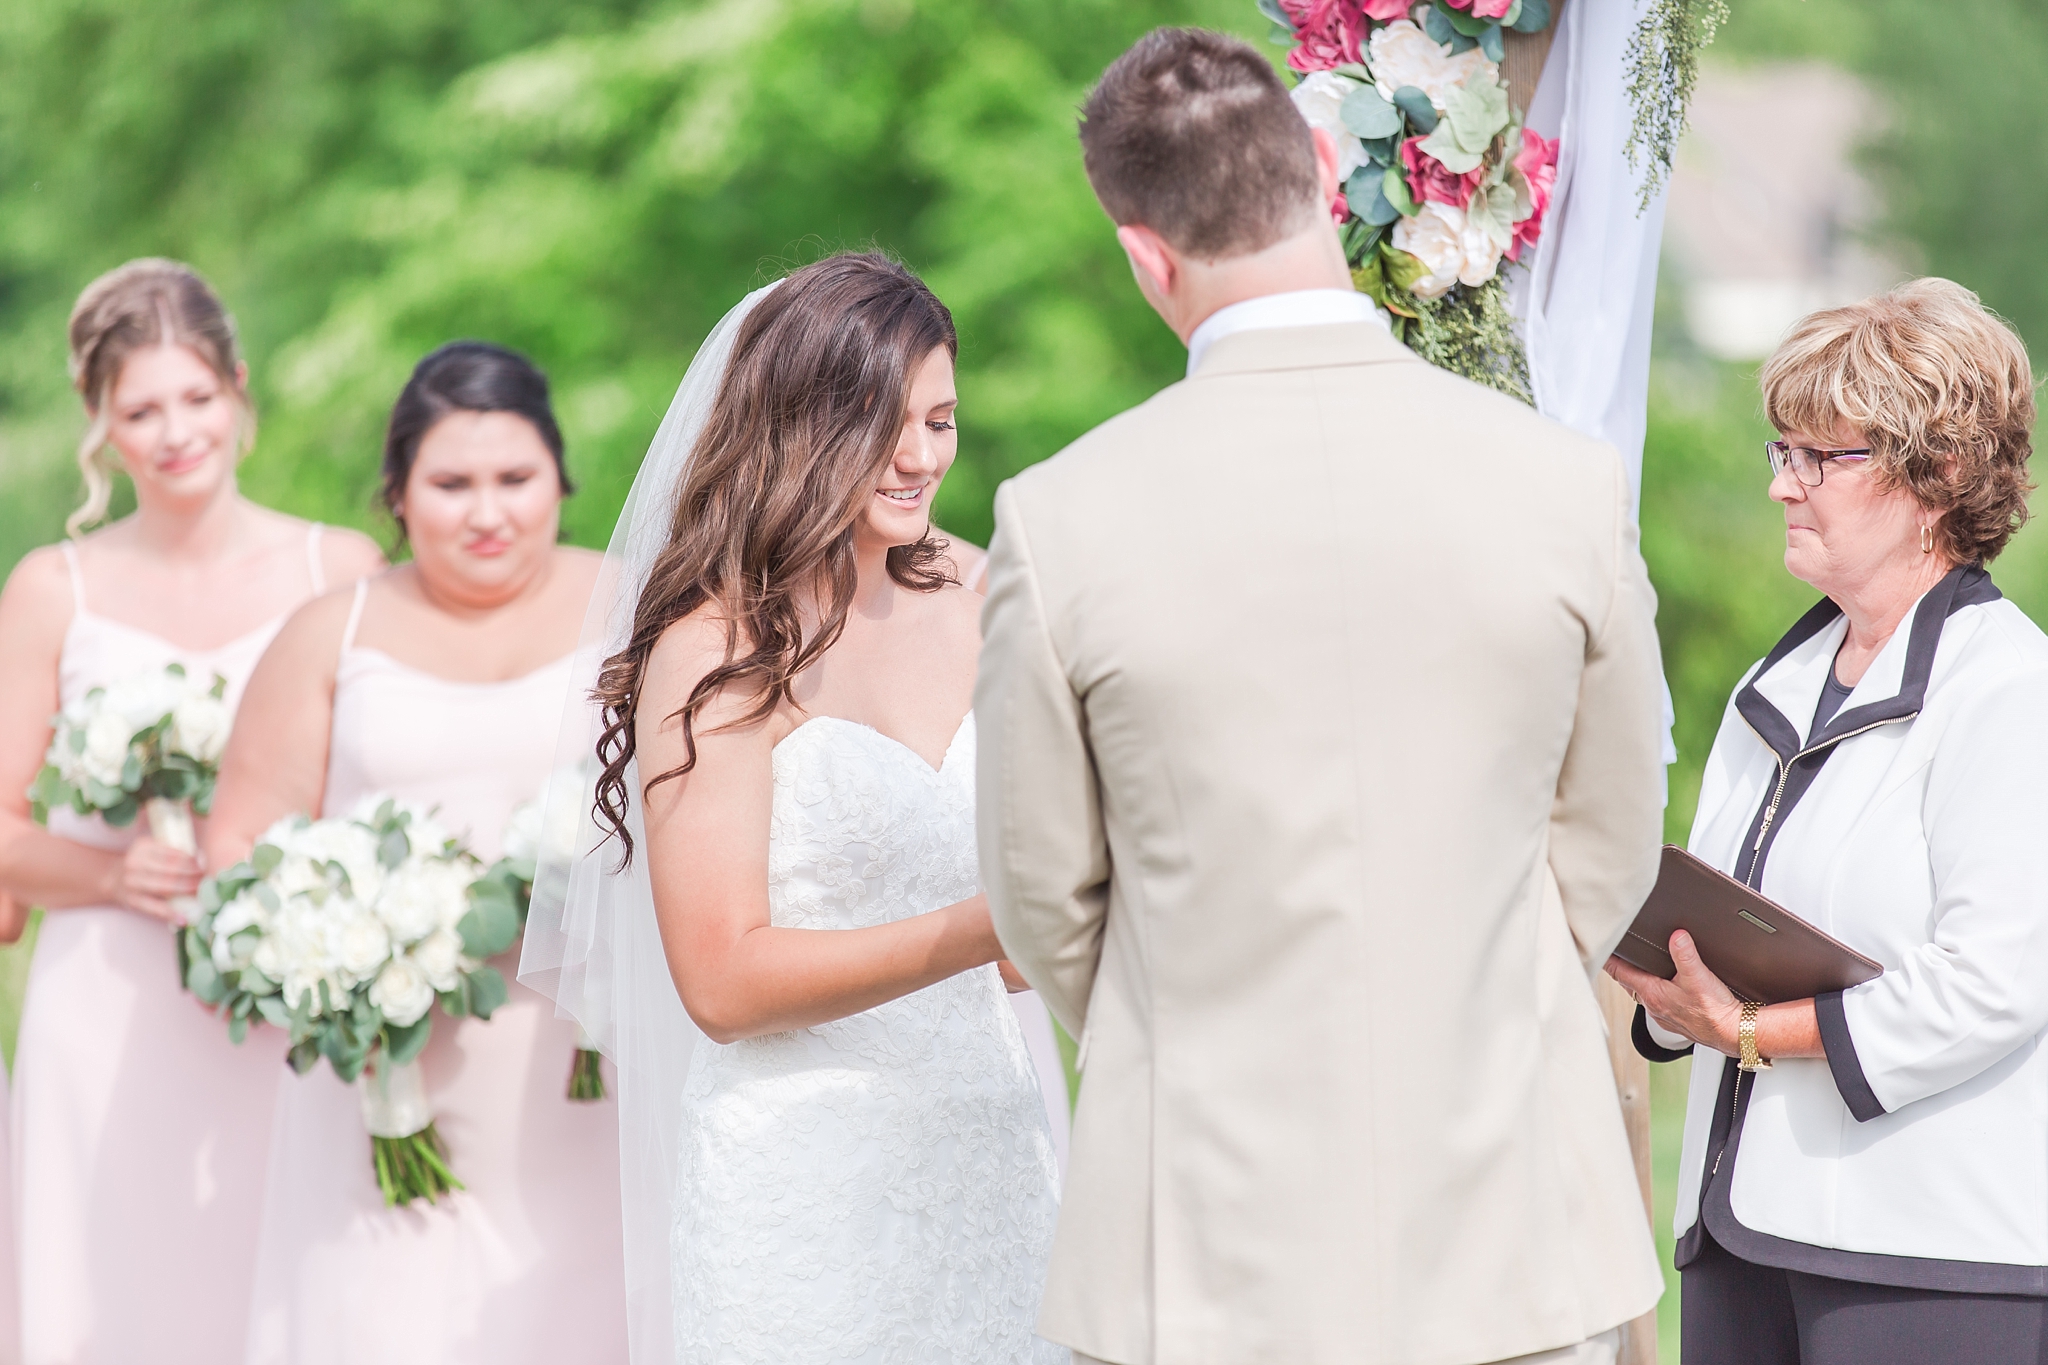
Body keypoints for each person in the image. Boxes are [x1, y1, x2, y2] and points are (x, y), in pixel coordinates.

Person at [975, 29, 1668, 1365]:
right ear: (1314, 177)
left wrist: (1195, 1024)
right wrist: (1473, 993)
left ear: (1145, 257)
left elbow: (1043, 894)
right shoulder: (1564, 486)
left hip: (1205, 1248)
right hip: (1508, 1230)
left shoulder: (1060, 519)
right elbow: (1611, 836)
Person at [536, 252, 1063, 1362]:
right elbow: (722, 983)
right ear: (803, 427)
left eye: (943, 418)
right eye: (888, 423)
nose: (922, 457)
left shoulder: (980, 590)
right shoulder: (712, 650)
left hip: (993, 1149)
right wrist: (980, 927)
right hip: (804, 1182)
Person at [1609, 280, 2048, 1364]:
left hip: (1921, 1261)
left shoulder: (2008, 692)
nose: (1782, 488)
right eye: (1780, 453)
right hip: (1739, 1239)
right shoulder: (1776, 679)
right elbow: (1717, 914)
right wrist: (1668, 984)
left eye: (1821, 459)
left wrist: (1752, 1032)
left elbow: (1991, 982)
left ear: (1937, 475)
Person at [204, 342, 625, 1363]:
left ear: (559, 480)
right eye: (451, 483)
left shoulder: (636, 605)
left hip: (582, 1064)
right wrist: (322, 951)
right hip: (383, 1080)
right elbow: (236, 851)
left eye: (515, 479)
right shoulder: (328, 632)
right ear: (397, 494)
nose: (488, 512)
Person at [0, 259, 383, 1364]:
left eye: (194, 398)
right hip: (109, 1003)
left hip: (282, 997)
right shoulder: (50, 589)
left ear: (238, 390)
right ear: (99, 424)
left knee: (287, 1282)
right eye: (140, 410)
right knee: (120, 1298)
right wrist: (110, 873)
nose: (174, 433)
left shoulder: (339, 567)